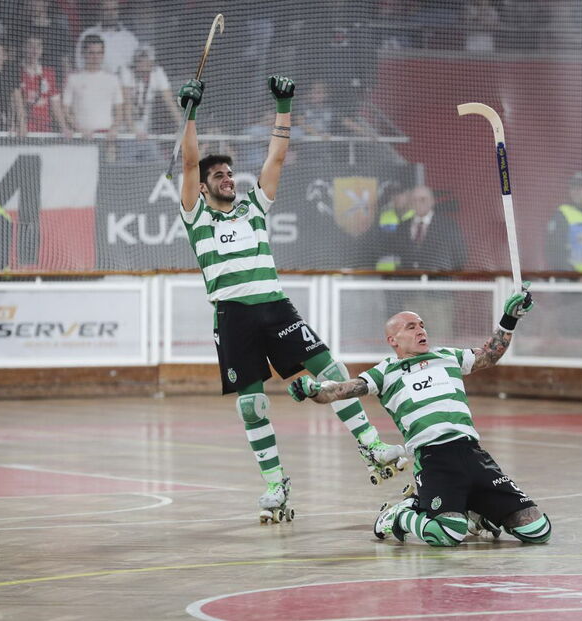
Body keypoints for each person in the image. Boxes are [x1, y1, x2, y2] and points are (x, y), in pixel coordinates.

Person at [176, 74, 405, 522]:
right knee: (253, 401)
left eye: (229, 173)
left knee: (332, 369)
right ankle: (275, 484)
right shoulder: (196, 216)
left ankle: (373, 446)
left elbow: (276, 156)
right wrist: (190, 115)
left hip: (275, 305)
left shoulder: (254, 209)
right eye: (217, 175)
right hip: (233, 315)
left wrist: (284, 106)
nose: (227, 178)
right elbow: (188, 164)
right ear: (203, 187)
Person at [287, 287, 552, 547]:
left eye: (422, 325)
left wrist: (510, 319)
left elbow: (490, 355)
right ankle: (400, 515)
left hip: (473, 454)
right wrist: (314, 390)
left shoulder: (447, 356)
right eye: (411, 327)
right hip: (434, 458)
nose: (421, 330)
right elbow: (342, 389)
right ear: (393, 340)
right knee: (447, 535)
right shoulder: (385, 372)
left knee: (537, 530)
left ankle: (478, 514)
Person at [63, 34, 124, 161]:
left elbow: (119, 112)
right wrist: (79, 129)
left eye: (99, 53)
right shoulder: (73, 79)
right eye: (91, 53)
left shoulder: (112, 79)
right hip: (81, 139)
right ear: (84, 53)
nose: (95, 57)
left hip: (107, 139)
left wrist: (114, 129)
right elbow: (66, 110)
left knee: (108, 176)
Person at [118, 44, 180, 160]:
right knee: (126, 164)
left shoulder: (157, 72)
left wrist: (182, 125)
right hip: (125, 131)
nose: (145, 69)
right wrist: (133, 130)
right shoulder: (126, 71)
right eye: (141, 64)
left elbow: (170, 102)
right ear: (136, 63)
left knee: (155, 162)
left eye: (148, 64)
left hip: (145, 131)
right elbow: (126, 103)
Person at [18, 34, 70, 136]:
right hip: (24, 131)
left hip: (45, 131)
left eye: (38, 46)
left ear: (41, 50)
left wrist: (64, 127)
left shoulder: (49, 73)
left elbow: (55, 105)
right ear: (24, 47)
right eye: (30, 46)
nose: (34, 50)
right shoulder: (16, 72)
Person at [74, 0, 138, 75]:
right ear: (100, 11)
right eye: (107, 9)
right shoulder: (87, 35)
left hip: (122, 84)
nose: (110, 13)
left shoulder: (129, 38)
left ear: (118, 11)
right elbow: (79, 63)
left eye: (114, 9)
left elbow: (136, 66)